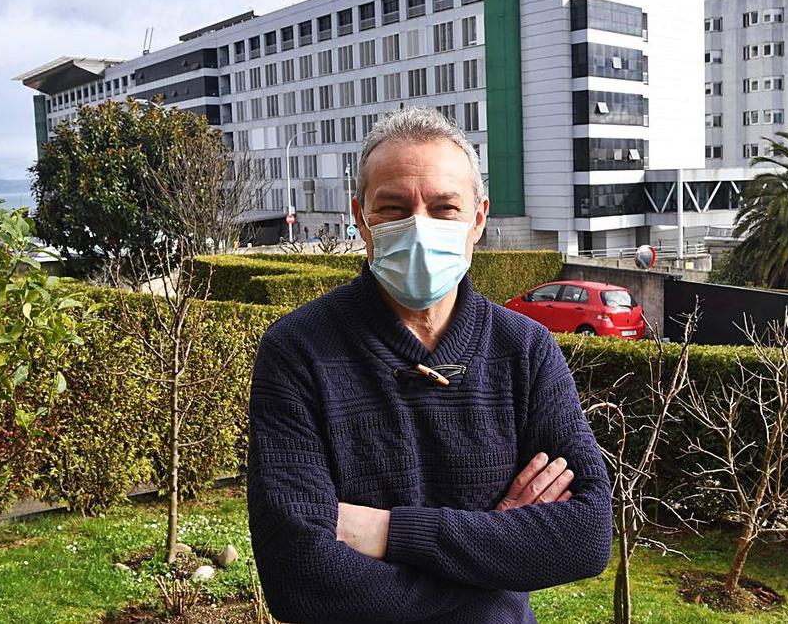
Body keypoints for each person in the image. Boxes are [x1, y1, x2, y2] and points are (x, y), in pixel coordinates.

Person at [247, 106, 612, 623]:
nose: (419, 227)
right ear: (361, 219)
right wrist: (492, 575)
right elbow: (297, 577)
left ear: (478, 219)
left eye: (443, 208)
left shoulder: (525, 350)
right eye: (393, 208)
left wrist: (385, 532)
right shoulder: (299, 352)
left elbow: (587, 536)